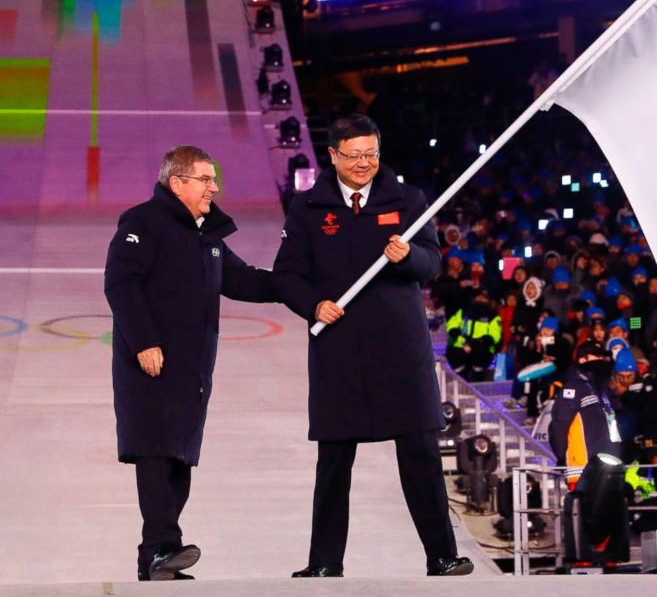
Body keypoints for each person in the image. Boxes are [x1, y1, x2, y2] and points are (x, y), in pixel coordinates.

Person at [274, 114, 472, 577]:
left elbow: (432, 264)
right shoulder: (308, 207)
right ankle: (324, 563)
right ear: (333, 155)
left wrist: (409, 257)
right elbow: (287, 274)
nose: (364, 163)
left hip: (400, 349)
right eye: (354, 155)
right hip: (339, 350)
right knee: (334, 461)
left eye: (371, 153)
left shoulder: (408, 200)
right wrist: (314, 305)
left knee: (420, 454)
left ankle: (442, 556)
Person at [104, 146, 279, 581]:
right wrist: (144, 341)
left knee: (180, 456)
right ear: (176, 182)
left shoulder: (208, 236)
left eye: (214, 180)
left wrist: (299, 284)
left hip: (192, 368)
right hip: (151, 363)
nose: (214, 188)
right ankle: (164, 545)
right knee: (156, 452)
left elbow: (242, 280)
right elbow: (121, 283)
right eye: (205, 179)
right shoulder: (142, 222)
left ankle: (156, 558)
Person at [549, 342, 622, 488]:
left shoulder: (601, 390)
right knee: (585, 509)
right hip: (582, 469)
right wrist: (565, 457)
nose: (602, 360)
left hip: (608, 466)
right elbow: (558, 427)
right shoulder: (573, 389)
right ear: (583, 360)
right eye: (598, 356)